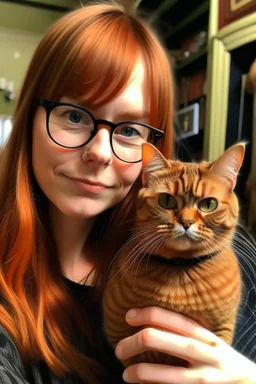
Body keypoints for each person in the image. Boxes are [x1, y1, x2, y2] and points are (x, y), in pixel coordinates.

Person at [0, 1, 255, 383]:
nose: (100, 153)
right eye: (73, 114)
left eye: (131, 130)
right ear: (30, 116)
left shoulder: (233, 256)